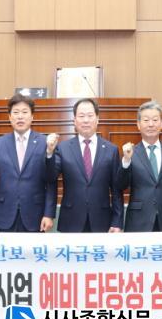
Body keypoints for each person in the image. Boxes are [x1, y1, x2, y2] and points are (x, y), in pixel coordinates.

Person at [0, 94, 56, 232]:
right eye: (16, 112)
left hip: (35, 214)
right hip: (6, 212)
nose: (20, 117)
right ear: (10, 117)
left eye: (24, 112)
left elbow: (51, 179)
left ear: (32, 116)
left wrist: (48, 214)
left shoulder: (45, 143)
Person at [46, 98, 123, 232]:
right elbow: (50, 176)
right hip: (71, 220)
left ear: (97, 119)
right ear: (74, 121)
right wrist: (49, 153)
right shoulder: (63, 148)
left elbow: (117, 190)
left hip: (102, 220)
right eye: (81, 116)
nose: (86, 120)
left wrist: (117, 222)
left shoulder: (111, 150)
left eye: (90, 115)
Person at [117, 101, 162, 232]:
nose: (151, 124)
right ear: (138, 124)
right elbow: (121, 185)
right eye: (146, 120)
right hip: (138, 221)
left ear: (161, 124)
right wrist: (126, 161)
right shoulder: (130, 153)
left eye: (155, 120)